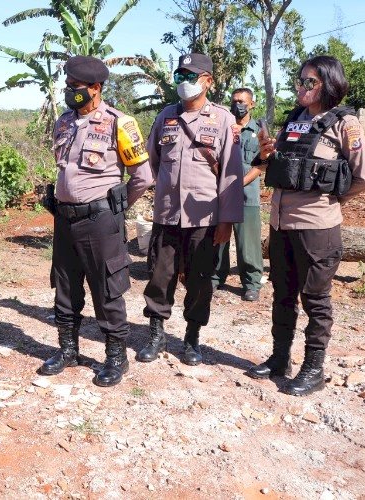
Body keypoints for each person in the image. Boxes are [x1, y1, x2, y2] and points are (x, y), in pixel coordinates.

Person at [247, 55, 365, 395]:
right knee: (282, 295)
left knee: (316, 300)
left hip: (318, 228)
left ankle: (313, 370)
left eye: (309, 82)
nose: (301, 87)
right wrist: (265, 154)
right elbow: (278, 166)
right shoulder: (293, 120)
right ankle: (279, 358)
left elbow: (363, 178)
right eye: (299, 80)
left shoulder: (344, 124)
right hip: (281, 223)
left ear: (328, 84)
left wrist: (330, 202)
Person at [40, 55, 153, 387]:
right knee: (64, 287)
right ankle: (68, 350)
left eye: (75, 87)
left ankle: (116, 357)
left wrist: (115, 208)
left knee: (107, 289)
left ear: (96, 88)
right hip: (65, 220)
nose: (69, 91)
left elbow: (142, 177)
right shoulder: (64, 122)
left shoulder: (120, 123)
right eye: (68, 86)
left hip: (100, 221)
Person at [138, 52, 243, 366]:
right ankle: (156, 334)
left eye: (190, 76)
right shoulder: (165, 116)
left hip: (204, 217)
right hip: (167, 214)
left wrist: (227, 221)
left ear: (207, 81)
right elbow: (150, 163)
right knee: (159, 276)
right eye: (179, 76)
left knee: (199, 280)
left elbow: (231, 175)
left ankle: (192, 338)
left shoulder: (223, 119)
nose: (184, 82)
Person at [211, 88, 264, 301]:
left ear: (251, 104)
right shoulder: (223, 127)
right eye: (234, 101)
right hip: (221, 194)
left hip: (247, 195)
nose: (237, 105)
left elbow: (262, 164)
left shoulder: (259, 130)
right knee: (218, 240)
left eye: (242, 101)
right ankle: (215, 277)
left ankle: (251, 283)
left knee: (248, 243)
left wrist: (239, 183)